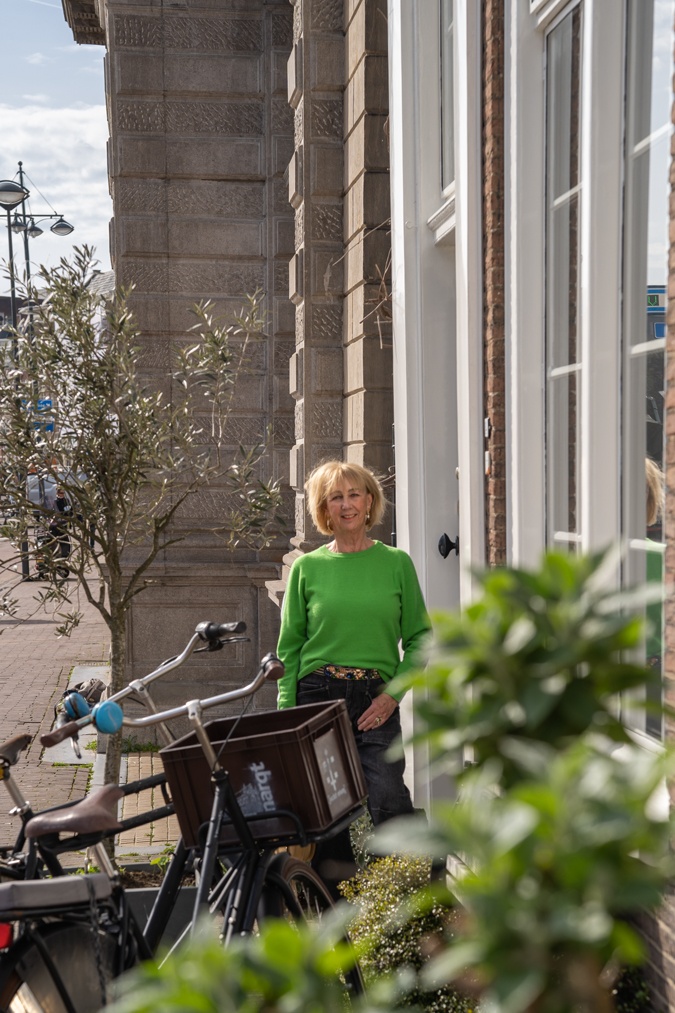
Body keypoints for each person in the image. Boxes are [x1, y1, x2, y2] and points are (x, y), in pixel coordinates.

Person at [277, 460, 431, 893]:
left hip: (375, 697)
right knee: (329, 809)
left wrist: (393, 695)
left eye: (354, 494)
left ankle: (401, 900)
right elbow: (289, 649)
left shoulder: (396, 564)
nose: (346, 505)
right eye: (335, 497)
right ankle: (338, 907)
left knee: (388, 796)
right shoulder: (307, 568)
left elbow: (421, 638)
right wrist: (287, 713)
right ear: (324, 509)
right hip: (317, 697)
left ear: (369, 502)